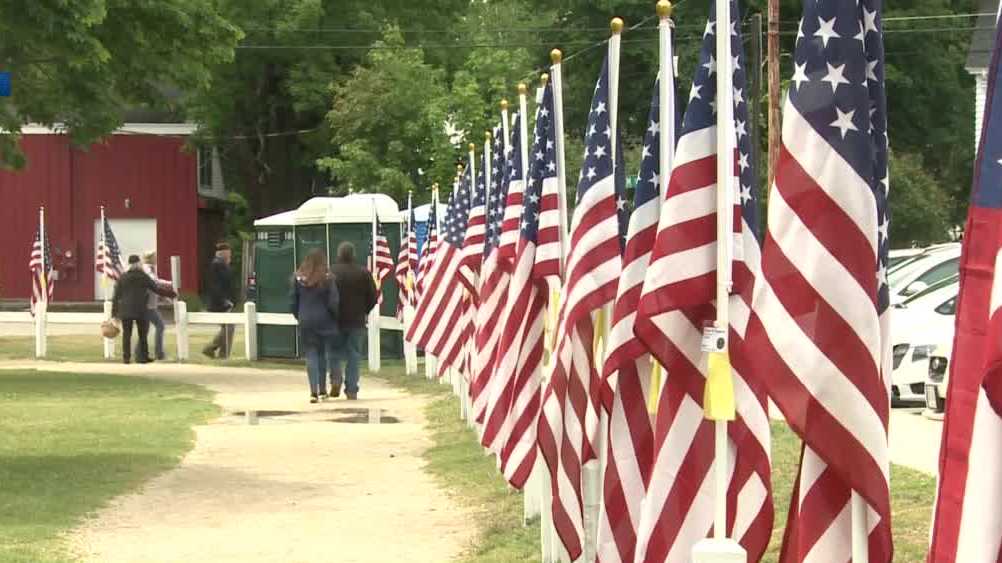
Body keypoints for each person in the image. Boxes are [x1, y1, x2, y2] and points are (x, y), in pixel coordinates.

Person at [329, 242, 378, 400]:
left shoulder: (331, 272)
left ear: (339, 254)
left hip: (334, 321)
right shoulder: (363, 272)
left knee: (333, 353)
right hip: (356, 321)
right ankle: (351, 389)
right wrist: (364, 311)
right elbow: (373, 297)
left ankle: (335, 379)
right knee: (354, 355)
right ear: (353, 254)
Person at [291, 249, 340, 403]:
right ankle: (323, 390)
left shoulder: (298, 279)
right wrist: (334, 316)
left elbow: (292, 302)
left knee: (311, 354)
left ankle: (313, 391)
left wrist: (299, 316)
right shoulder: (328, 278)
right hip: (324, 319)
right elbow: (334, 302)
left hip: (306, 320)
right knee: (322, 355)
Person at [112, 255, 159, 364]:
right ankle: (143, 357)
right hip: (141, 309)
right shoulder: (143, 276)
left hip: (126, 309)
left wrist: (114, 314)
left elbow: (116, 296)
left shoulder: (123, 277)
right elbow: (155, 287)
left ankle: (126, 358)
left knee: (126, 334)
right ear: (138, 263)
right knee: (142, 334)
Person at [136, 251, 172, 361]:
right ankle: (159, 353)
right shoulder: (147, 269)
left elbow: (153, 287)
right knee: (160, 326)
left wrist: (163, 297)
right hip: (147, 305)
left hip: (149, 304)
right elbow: (154, 282)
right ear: (150, 258)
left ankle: (139, 353)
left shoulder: (150, 268)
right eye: (155, 257)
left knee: (146, 329)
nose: (156, 258)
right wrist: (170, 283)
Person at [203, 242, 235, 359]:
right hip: (219, 303)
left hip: (221, 301)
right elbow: (216, 286)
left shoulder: (221, 264)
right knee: (229, 327)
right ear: (223, 253)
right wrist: (224, 300)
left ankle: (221, 353)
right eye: (228, 251)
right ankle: (213, 349)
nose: (230, 253)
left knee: (228, 327)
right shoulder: (218, 265)